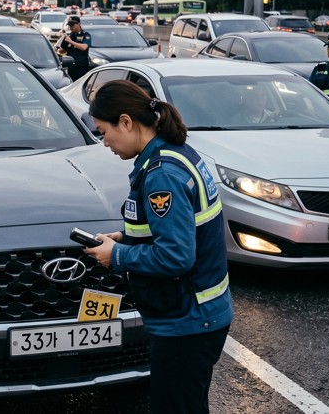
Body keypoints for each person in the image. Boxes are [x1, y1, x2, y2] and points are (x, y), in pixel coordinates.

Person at [84, 80, 232, 414]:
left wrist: (117, 255)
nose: (104, 141)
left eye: (102, 131)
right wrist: (128, 238)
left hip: (189, 321)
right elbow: (177, 229)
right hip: (200, 314)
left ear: (125, 121)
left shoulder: (161, 175)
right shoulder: (175, 153)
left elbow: (176, 256)